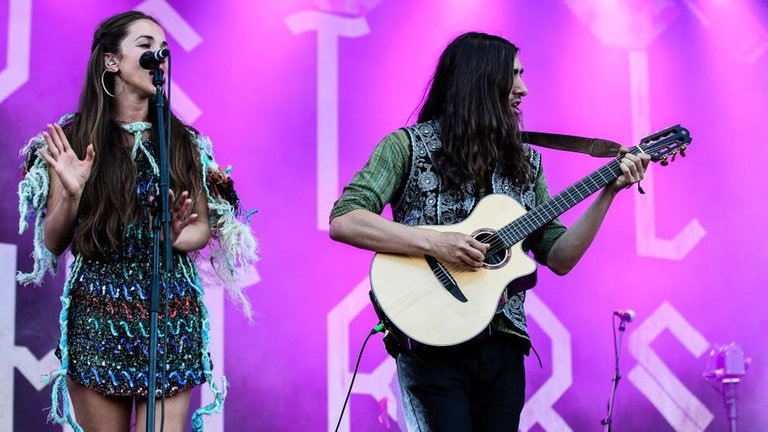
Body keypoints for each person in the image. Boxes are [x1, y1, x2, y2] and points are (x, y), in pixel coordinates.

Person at [328, 32, 649, 431]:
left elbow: (560, 257)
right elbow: (345, 219)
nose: (524, 88)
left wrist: (608, 193)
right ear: (480, 81)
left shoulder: (527, 161)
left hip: (503, 347)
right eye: (512, 75)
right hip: (430, 342)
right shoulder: (404, 146)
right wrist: (436, 241)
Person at [16, 11, 257, 432]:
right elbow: (53, 241)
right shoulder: (75, 140)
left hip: (170, 314)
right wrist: (72, 195)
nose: (158, 56)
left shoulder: (183, 141)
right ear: (111, 61)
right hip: (98, 314)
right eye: (145, 46)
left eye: (163, 50)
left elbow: (201, 227)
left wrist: (176, 236)